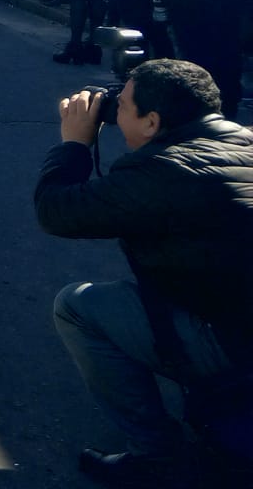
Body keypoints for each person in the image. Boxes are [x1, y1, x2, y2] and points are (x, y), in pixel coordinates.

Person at [39, 60, 253, 487]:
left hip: (236, 347)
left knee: (78, 307)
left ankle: (158, 459)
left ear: (152, 121)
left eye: (123, 107)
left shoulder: (169, 170)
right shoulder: (243, 143)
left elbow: (57, 210)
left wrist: (75, 145)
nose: (114, 114)